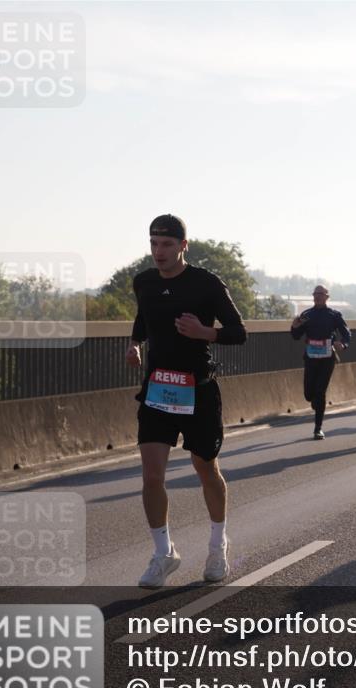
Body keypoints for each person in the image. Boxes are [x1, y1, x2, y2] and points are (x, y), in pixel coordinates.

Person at [127, 214, 247, 588]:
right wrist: (134, 344)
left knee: (205, 468)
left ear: (183, 245)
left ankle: (217, 545)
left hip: (198, 389)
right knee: (151, 476)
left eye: (166, 244)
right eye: (153, 244)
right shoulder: (144, 282)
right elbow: (143, 319)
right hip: (158, 390)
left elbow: (239, 332)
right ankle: (164, 553)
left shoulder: (206, 283)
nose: (158, 251)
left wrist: (204, 332)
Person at [291, 286, 351, 440]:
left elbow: (346, 333)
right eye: (315, 294)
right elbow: (296, 336)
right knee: (308, 394)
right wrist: (294, 326)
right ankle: (315, 402)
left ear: (327, 297)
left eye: (320, 294)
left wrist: (343, 344)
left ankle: (318, 428)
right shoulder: (306, 315)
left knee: (320, 391)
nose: (317, 297)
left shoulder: (334, 315)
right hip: (311, 358)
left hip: (327, 359)